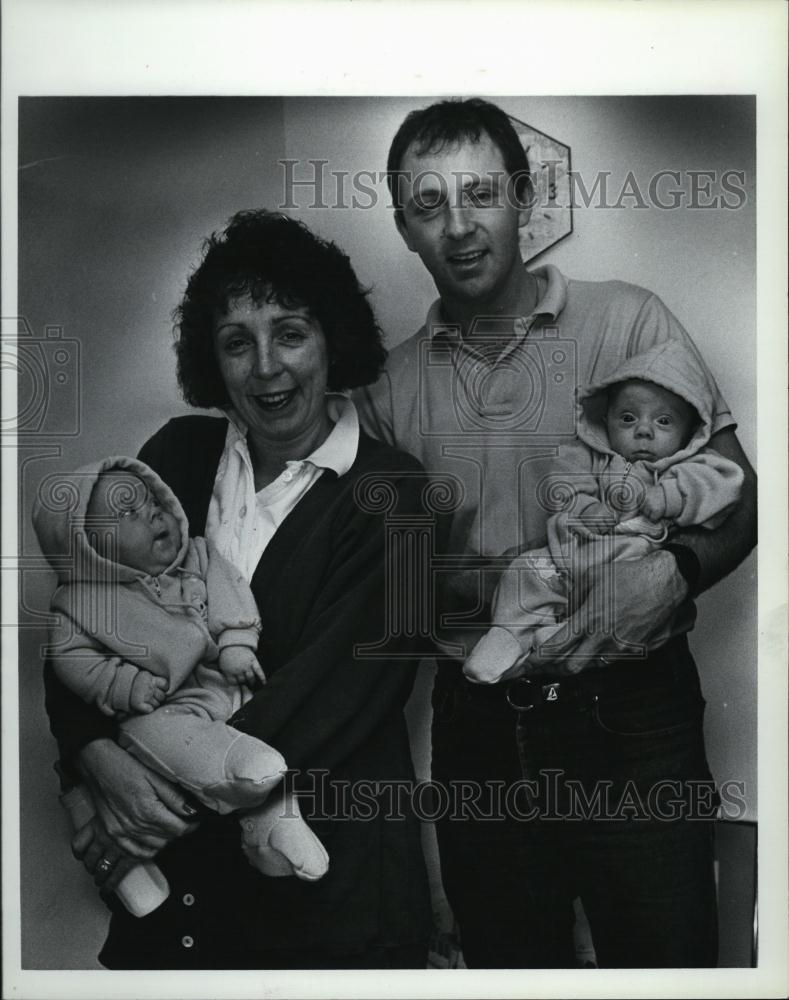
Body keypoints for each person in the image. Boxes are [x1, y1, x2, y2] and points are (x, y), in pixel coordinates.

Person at [355, 97, 757, 967]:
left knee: (666, 971)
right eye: (428, 205)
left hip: (634, 719)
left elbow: (737, 494)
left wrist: (674, 574)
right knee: (510, 973)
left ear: (523, 194)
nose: (459, 227)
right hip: (479, 732)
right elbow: (393, 590)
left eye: (479, 194)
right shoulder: (384, 393)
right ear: (403, 226)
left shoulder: (629, 320)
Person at [42, 209, 434, 969]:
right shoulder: (173, 457)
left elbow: (342, 697)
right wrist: (89, 754)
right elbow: (84, 604)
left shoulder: (402, 493)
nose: (265, 368)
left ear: (333, 340)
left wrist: (141, 789)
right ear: (210, 362)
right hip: (178, 895)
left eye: (289, 332)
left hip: (328, 892)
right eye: (236, 343)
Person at [33, 456, 330, 905]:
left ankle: (269, 824)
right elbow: (72, 662)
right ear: (88, 546)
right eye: (128, 512)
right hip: (161, 712)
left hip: (224, 690)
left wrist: (236, 641)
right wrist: (124, 686)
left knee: (253, 735)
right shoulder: (81, 603)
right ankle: (144, 868)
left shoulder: (198, 554)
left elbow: (231, 590)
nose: (153, 512)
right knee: (169, 743)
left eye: (154, 500)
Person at [465, 340, 744, 683]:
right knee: (523, 571)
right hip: (573, 554)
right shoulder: (591, 457)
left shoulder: (687, 466)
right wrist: (585, 506)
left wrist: (668, 496)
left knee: (636, 617)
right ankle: (509, 635)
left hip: (630, 562)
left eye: (664, 421)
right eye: (628, 418)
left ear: (690, 433)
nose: (643, 430)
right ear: (606, 419)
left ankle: (557, 637)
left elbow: (727, 484)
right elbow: (565, 484)